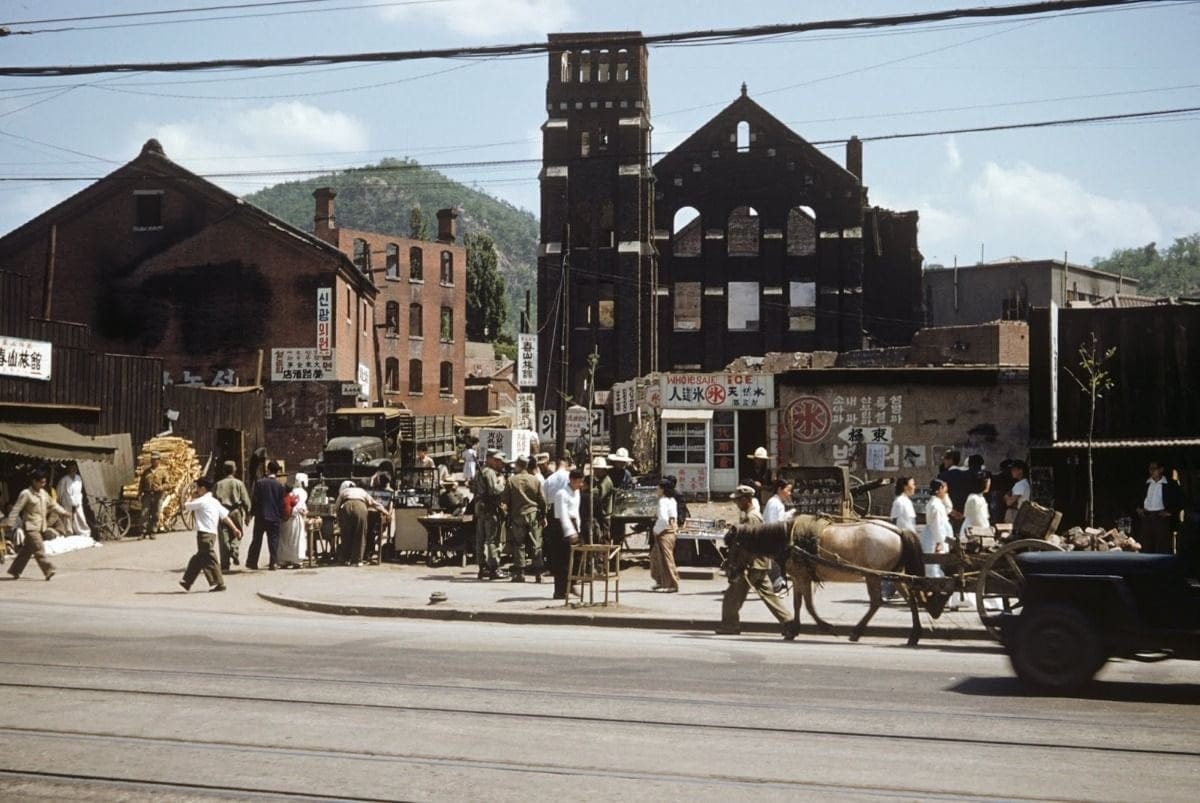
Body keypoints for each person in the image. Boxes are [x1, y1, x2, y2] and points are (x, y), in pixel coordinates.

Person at [716, 485, 794, 635]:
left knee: (731, 597)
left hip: (751, 565)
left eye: (738, 500)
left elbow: (749, 545)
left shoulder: (751, 518)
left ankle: (730, 626)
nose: (736, 504)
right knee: (770, 597)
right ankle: (789, 623)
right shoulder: (752, 515)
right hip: (760, 564)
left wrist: (739, 566)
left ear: (746, 499)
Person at [3, 468, 67, 580]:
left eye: (44, 482)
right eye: (41, 482)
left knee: (27, 551)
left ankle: (15, 570)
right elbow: (16, 509)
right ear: (34, 481)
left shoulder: (43, 493)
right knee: (39, 548)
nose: (43, 484)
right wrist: (10, 523)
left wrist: (64, 512)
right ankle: (48, 569)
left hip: (40, 526)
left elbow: (53, 505)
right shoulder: (26, 494)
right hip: (30, 526)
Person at [179, 477, 240, 592]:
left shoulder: (202, 501)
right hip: (212, 534)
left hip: (204, 534)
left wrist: (192, 496)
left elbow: (186, 506)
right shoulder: (214, 501)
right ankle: (187, 581)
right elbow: (225, 517)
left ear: (203, 488)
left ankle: (219, 583)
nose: (196, 490)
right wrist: (234, 528)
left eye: (197, 488)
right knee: (198, 558)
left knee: (209, 558)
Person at [505, 455, 546, 582]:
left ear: (518, 465)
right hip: (533, 514)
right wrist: (543, 516)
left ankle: (520, 573)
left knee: (519, 544)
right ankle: (538, 574)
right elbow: (542, 500)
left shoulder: (511, 480)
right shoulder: (535, 480)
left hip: (517, 515)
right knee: (536, 544)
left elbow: (505, 500)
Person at [547, 468, 585, 600]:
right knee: (562, 560)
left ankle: (572, 583)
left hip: (574, 524)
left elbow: (576, 511)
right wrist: (570, 532)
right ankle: (560, 591)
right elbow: (563, 514)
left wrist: (578, 528)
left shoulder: (577, 492)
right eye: (579, 482)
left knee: (578, 555)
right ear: (572, 480)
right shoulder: (561, 494)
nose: (580, 485)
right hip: (561, 527)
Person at [335, 480, 391, 566]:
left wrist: (338, 517)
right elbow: (374, 503)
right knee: (360, 533)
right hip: (360, 507)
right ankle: (357, 560)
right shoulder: (362, 491)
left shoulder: (345, 491)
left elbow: (337, 505)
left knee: (346, 534)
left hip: (346, 507)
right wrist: (386, 512)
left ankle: (345, 559)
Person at [1137, 460, 1184, 554]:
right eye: (1150, 469)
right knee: (1147, 544)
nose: (1151, 471)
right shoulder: (1145, 483)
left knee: (1162, 545)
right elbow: (1137, 498)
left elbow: (1181, 500)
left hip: (1161, 517)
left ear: (1161, 470)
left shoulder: (1170, 484)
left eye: (1154, 469)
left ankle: (1162, 567)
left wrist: (1170, 512)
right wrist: (1139, 509)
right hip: (1147, 516)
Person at [247, 460, 286, 570]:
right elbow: (281, 503)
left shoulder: (260, 483)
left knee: (257, 539)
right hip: (274, 516)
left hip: (261, 516)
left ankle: (252, 562)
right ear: (277, 471)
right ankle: (273, 563)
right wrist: (281, 515)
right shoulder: (280, 485)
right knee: (273, 540)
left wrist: (251, 513)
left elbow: (255, 500)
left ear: (268, 470)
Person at [476, 449, 508, 580]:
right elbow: (495, 490)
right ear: (490, 459)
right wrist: (503, 483)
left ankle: (482, 567)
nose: (500, 464)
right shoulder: (489, 473)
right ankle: (493, 568)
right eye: (498, 461)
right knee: (492, 540)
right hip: (490, 508)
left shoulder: (481, 471)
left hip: (481, 508)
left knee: (481, 539)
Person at [213, 461, 251, 571]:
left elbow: (213, 500)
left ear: (224, 470)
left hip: (222, 512)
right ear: (234, 470)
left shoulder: (218, 484)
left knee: (224, 536)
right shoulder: (239, 483)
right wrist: (248, 513)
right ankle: (234, 550)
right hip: (235, 511)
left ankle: (225, 563)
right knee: (237, 532)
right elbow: (245, 500)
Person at [649, 479, 680, 592]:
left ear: (663, 490)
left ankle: (671, 584)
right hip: (671, 530)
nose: (656, 490)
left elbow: (663, 519)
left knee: (666, 558)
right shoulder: (672, 500)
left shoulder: (663, 501)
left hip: (664, 531)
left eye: (658, 488)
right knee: (655, 557)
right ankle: (661, 581)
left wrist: (656, 530)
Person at [922, 478, 953, 581]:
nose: (946, 492)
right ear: (940, 489)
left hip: (933, 537)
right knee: (934, 566)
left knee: (934, 566)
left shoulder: (937, 503)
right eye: (944, 489)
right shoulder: (936, 505)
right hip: (933, 539)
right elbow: (937, 526)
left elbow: (949, 508)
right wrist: (939, 542)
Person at [278, 472, 309, 569]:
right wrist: (295, 513)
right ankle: (296, 560)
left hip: (285, 518)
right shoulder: (302, 492)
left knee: (285, 539)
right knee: (296, 538)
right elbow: (299, 506)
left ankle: (284, 560)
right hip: (295, 518)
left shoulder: (291, 491)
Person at [138, 451, 171, 539]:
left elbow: (168, 484)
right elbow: (141, 484)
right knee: (144, 513)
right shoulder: (146, 471)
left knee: (156, 513)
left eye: (155, 460)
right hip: (147, 495)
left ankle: (153, 531)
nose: (153, 461)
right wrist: (139, 494)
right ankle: (143, 532)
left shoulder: (163, 471)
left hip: (158, 495)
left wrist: (160, 488)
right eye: (152, 460)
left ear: (159, 460)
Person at [55, 463, 88, 536]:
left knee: (80, 517)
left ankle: (83, 532)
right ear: (68, 469)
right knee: (67, 518)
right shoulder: (64, 479)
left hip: (77, 500)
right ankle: (68, 532)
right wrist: (60, 500)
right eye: (72, 468)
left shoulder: (78, 478)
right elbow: (60, 491)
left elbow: (80, 489)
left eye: (75, 468)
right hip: (67, 501)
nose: (73, 470)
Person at [590, 456, 615, 544]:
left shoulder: (606, 481)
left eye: (597, 469)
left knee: (604, 537)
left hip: (604, 514)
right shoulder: (600, 480)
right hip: (599, 513)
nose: (595, 471)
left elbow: (598, 494)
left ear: (602, 469)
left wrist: (587, 490)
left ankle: (605, 557)